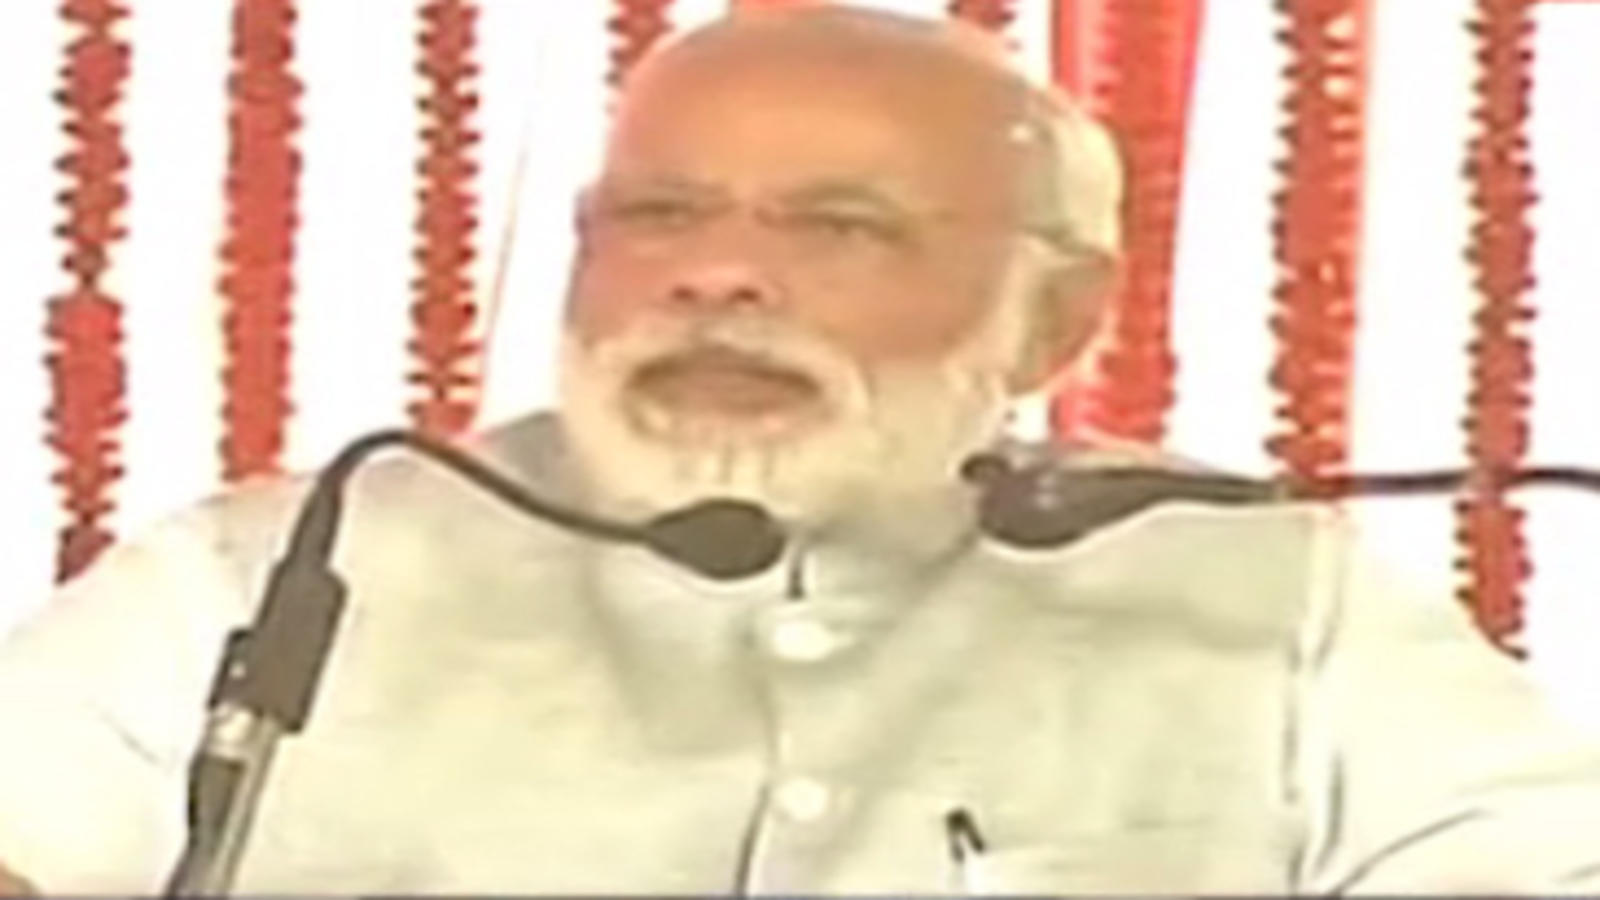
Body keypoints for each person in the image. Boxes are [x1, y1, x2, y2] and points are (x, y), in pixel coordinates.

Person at [3, 5, 1600, 894]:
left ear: (1052, 320)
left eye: (839, 226)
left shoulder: (1272, 597)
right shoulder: (288, 569)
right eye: (661, 213)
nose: (718, 276)